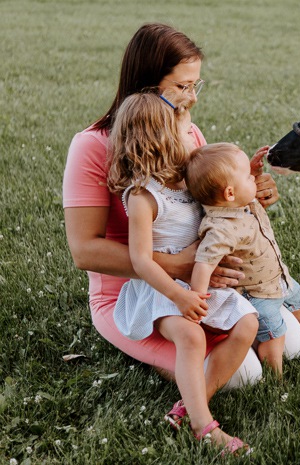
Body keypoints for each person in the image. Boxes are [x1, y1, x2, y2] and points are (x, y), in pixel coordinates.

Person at [62, 22, 300, 426]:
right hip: (134, 293)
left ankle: (201, 356)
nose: (192, 97)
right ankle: (163, 366)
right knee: (244, 375)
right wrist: (181, 265)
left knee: (289, 342)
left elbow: (207, 205)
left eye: (196, 85)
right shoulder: (91, 146)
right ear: (145, 87)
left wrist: (247, 193)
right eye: (181, 86)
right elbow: (83, 250)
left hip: (198, 284)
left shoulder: (188, 132)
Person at [106, 91, 258, 453]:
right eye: (184, 123)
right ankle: (205, 427)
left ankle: (187, 407)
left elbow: (224, 198)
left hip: (194, 283)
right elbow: (141, 261)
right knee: (191, 338)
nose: (192, 129)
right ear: (161, 138)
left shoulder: (187, 181)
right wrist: (177, 295)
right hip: (159, 290)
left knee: (248, 323)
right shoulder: (143, 197)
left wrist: (249, 181)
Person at [185, 142, 300, 376]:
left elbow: (246, 189)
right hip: (256, 292)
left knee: (299, 299)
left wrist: (252, 170)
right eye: (248, 178)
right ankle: (275, 372)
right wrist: (197, 297)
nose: (254, 180)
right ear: (230, 192)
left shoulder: (242, 202)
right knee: (274, 332)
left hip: (277, 276)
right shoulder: (221, 229)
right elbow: (204, 263)